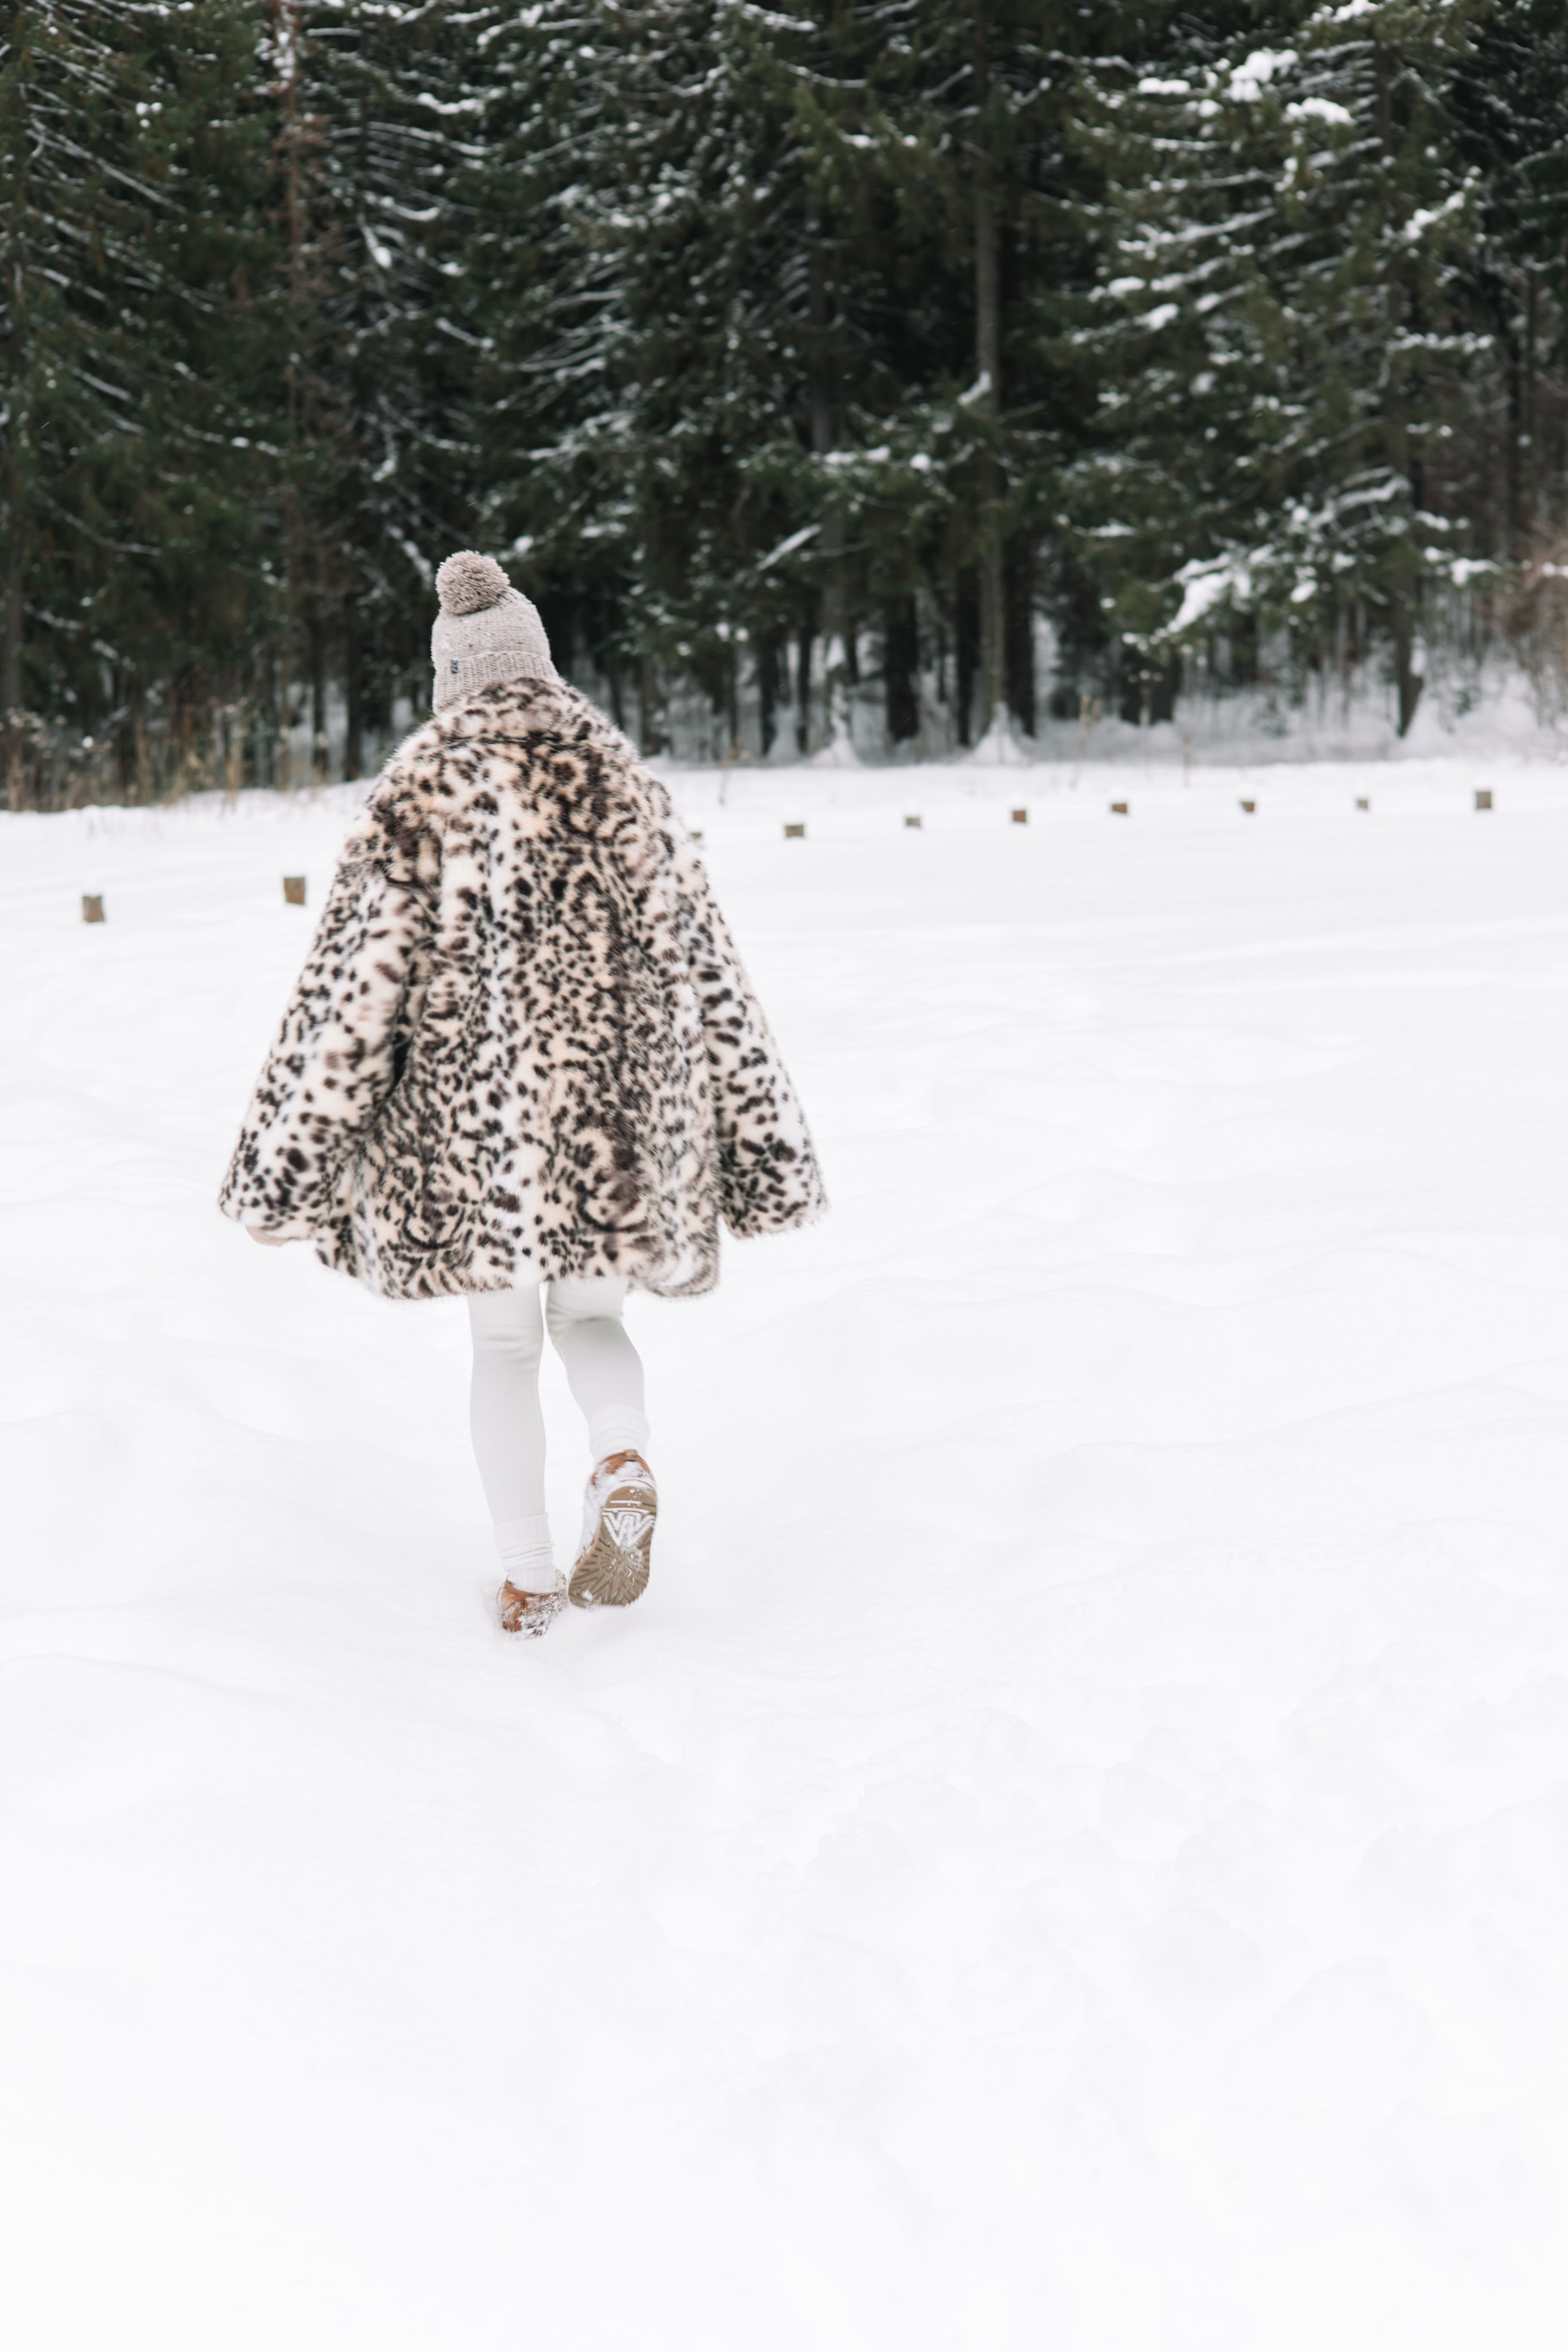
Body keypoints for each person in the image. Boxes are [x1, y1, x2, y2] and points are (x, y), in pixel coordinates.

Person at [219, 551, 826, 1635]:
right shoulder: (627, 782)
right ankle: (623, 1455)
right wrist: (765, 1149)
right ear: (544, 666)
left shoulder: (421, 790)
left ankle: (530, 1574)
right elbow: (715, 979)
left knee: (503, 1345)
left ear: (450, 677)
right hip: (626, 1127)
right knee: (592, 1315)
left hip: (479, 1138)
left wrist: (286, 1175)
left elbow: (352, 996)